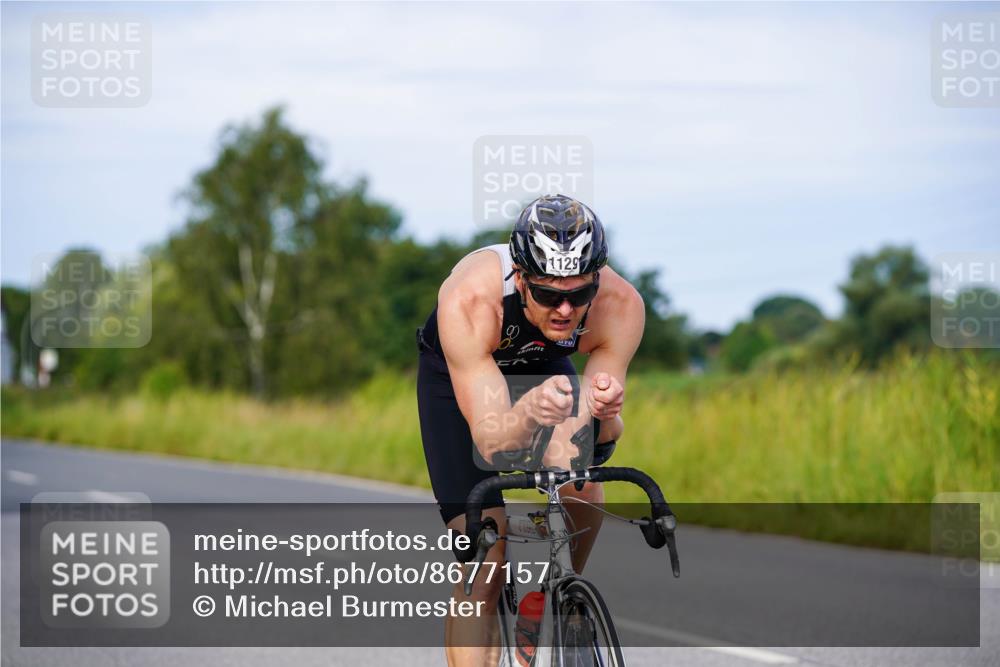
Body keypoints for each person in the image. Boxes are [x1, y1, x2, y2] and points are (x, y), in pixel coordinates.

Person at [416, 194, 645, 666]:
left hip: (541, 365)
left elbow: (596, 440)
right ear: (520, 279)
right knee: (485, 554)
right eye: (547, 294)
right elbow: (492, 442)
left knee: (581, 486)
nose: (564, 310)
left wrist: (605, 412)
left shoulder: (620, 306)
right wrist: (530, 413)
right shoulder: (471, 301)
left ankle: (554, 600)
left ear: (597, 282)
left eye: (579, 295)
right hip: (459, 378)